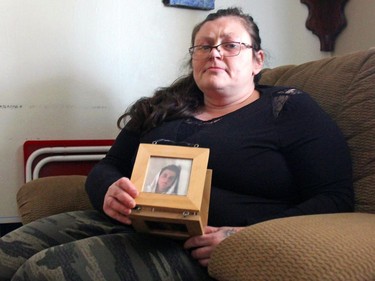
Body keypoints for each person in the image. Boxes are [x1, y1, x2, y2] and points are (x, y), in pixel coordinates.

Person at [0, 7, 354, 280]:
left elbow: (335, 198)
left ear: (257, 61)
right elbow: (107, 167)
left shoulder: (289, 108)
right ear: (194, 57)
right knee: (5, 255)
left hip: (197, 245)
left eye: (230, 45)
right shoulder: (162, 107)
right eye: (204, 46)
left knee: (45, 271)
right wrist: (108, 191)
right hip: (129, 224)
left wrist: (244, 236)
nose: (215, 53)